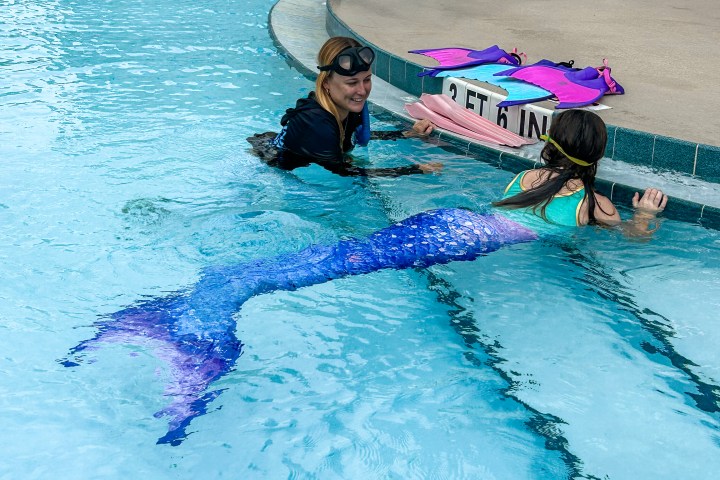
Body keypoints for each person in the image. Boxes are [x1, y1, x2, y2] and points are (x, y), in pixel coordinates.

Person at [66, 109, 667, 444]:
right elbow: (630, 240)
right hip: (462, 240)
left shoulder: (529, 182)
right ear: (595, 157)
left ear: (548, 148)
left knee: (336, 258)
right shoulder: (594, 205)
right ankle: (207, 320)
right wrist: (644, 216)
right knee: (333, 264)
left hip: (450, 221)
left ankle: (214, 295)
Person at [248, 36, 441, 177]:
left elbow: (353, 135)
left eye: (366, 80)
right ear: (326, 84)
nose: (362, 90)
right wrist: (414, 170)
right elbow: (342, 172)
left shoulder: (346, 107)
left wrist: (408, 133)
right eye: (351, 83)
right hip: (270, 165)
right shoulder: (316, 122)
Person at [494, 109, 667, 235]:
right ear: (598, 155)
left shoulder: (524, 177)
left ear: (550, 143)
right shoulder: (595, 205)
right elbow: (633, 238)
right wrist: (644, 215)